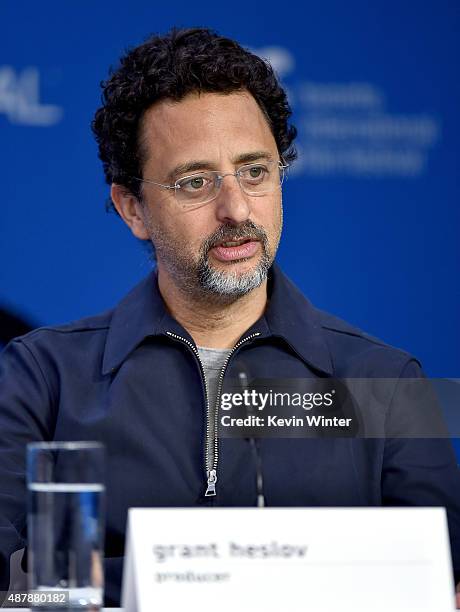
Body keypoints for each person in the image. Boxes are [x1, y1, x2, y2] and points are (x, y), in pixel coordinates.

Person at [1, 27, 459, 606]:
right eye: (196, 182)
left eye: (255, 171)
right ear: (132, 208)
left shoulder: (386, 381)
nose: (237, 208)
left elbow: (440, 584)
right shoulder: (42, 378)